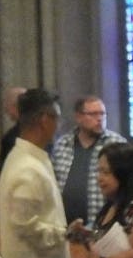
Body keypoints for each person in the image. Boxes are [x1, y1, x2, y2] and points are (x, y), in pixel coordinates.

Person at [0, 88, 78, 258]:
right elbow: (26, 226)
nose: (59, 126)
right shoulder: (27, 168)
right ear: (44, 120)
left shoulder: (27, 158)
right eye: (57, 119)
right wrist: (65, 234)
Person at [50, 95, 126, 228]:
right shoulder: (63, 144)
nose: (99, 119)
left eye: (102, 114)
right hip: (64, 226)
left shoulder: (116, 144)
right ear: (79, 117)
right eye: (93, 114)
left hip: (102, 226)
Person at [0, 85, 25, 172]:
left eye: (7, 105)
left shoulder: (10, 139)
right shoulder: (42, 131)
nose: (6, 110)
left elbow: (4, 171)